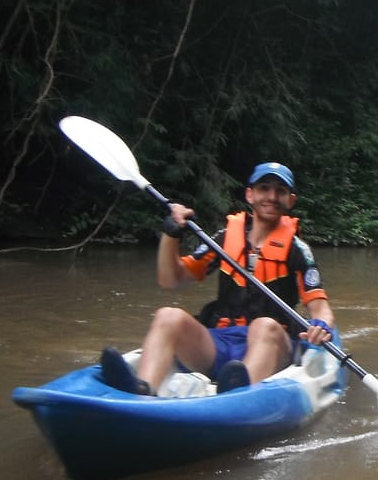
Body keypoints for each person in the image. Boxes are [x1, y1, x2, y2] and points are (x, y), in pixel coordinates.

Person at [100, 162, 336, 395]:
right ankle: (143, 389)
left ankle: (238, 397)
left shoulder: (298, 250)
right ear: (250, 195)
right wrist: (171, 235)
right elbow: (171, 279)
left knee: (264, 326)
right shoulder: (224, 240)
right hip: (220, 343)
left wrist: (321, 325)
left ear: (290, 200)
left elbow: (320, 309)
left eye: (280, 191)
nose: (271, 196)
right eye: (264, 188)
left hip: (273, 346)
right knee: (167, 316)